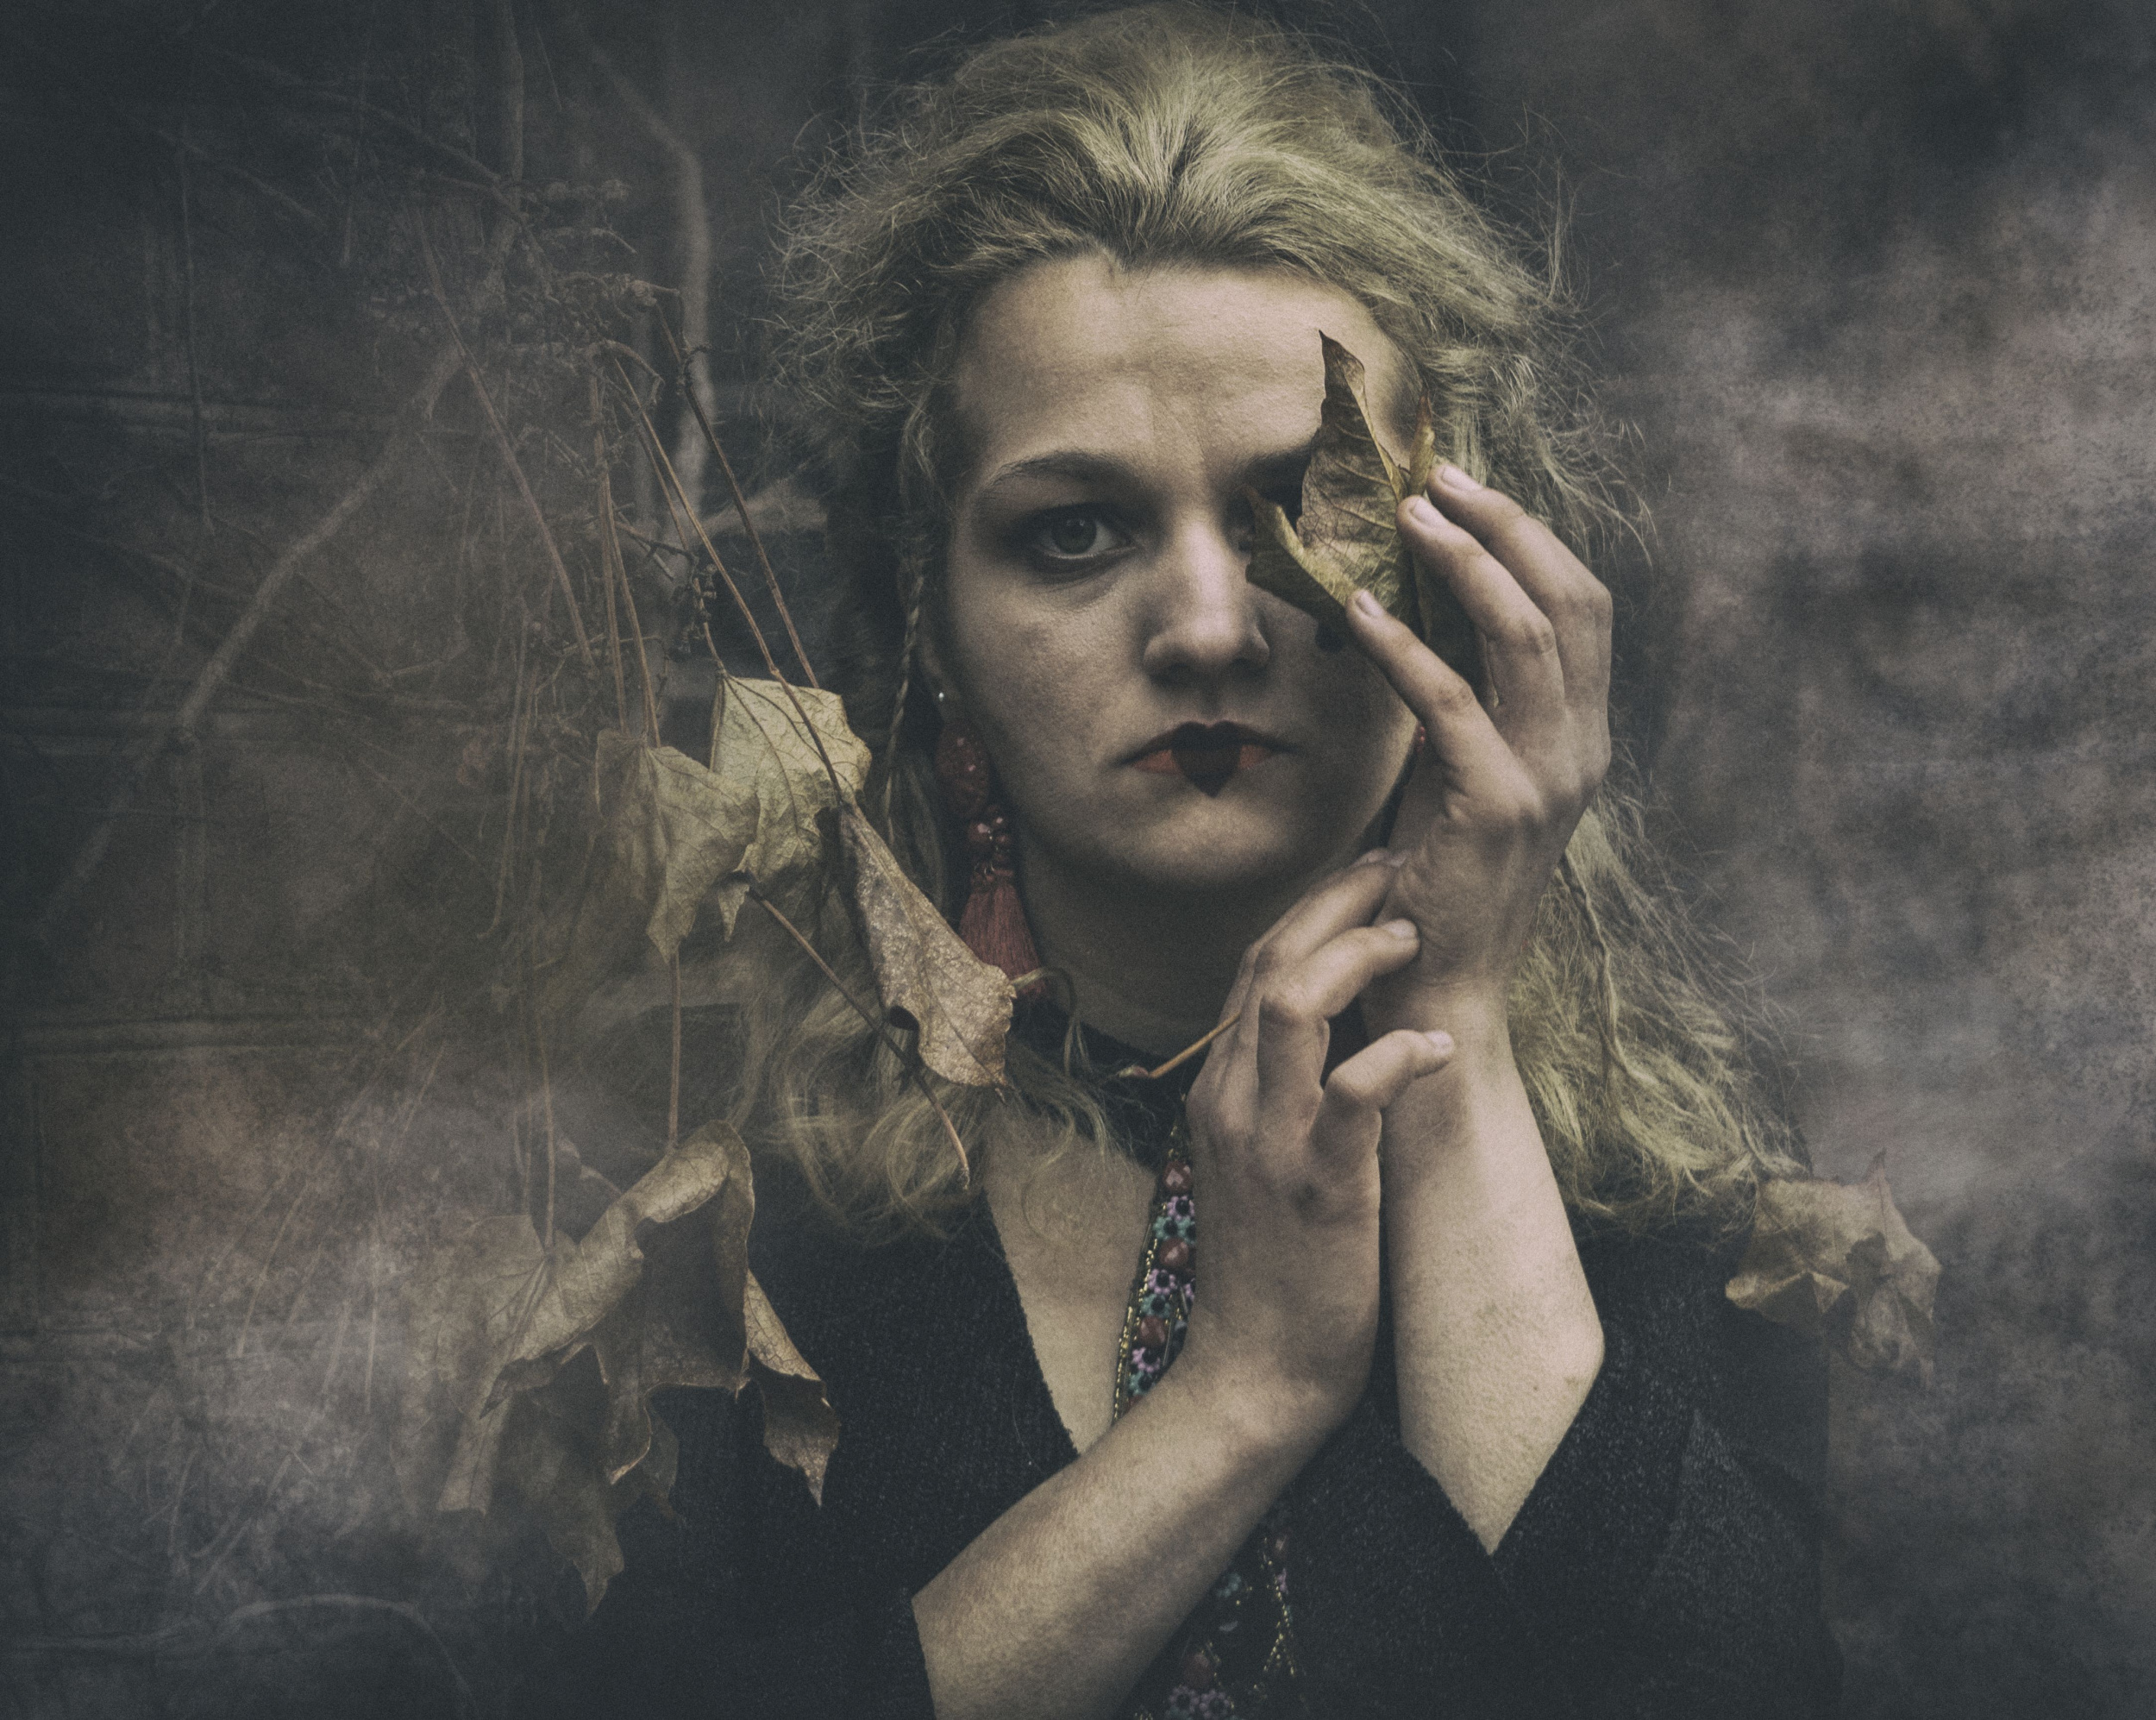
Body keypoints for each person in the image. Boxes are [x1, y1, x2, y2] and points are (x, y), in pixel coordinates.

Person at [551, 5, 1839, 1716]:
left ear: (1465, 567)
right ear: (931, 613)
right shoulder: (721, 1195)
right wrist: (1241, 1394)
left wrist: (1450, 1016)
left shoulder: (1682, 1182)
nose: (1211, 627)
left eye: (1304, 510)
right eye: (1074, 531)